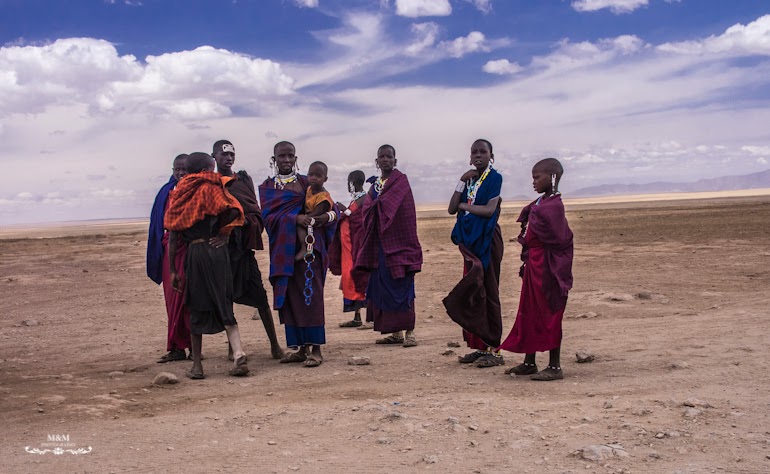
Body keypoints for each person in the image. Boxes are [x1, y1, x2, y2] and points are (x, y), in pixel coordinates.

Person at [165, 152, 250, 379]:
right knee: (224, 300)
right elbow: (234, 209)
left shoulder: (180, 192)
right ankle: (239, 353)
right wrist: (225, 233)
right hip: (218, 251)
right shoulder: (215, 188)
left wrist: (173, 269)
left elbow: (173, 232)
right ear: (209, 167)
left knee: (196, 303)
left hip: (196, 252)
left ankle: (197, 367)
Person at [258, 142, 338, 368]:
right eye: (281, 156)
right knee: (293, 300)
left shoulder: (308, 182)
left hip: (311, 251)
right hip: (285, 252)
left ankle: (316, 349)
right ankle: (301, 349)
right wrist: (295, 218)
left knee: (311, 297)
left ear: (295, 158)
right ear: (273, 159)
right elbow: (268, 218)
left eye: (290, 155)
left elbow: (332, 205)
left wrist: (325, 218)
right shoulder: (268, 188)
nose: (286, 159)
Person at [498, 158, 573, 381]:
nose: (533, 182)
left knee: (550, 313)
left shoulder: (554, 206)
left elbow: (560, 239)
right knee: (529, 311)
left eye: (537, 177)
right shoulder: (540, 203)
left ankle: (555, 366)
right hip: (534, 265)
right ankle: (529, 362)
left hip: (549, 268)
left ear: (552, 177)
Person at [212, 139, 283, 360]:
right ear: (214, 156)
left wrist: (236, 227)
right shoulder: (211, 183)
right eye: (224, 154)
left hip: (242, 250)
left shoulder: (242, 180)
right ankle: (233, 348)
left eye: (232, 154)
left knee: (260, 297)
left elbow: (254, 210)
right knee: (226, 299)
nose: (229, 158)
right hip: (221, 254)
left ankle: (275, 345)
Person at [444, 139, 505, 368]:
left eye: (483, 151)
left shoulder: (494, 178)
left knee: (489, 292)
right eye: (474, 152)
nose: (478, 155)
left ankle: (495, 350)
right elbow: (451, 209)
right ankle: (480, 346)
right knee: (474, 293)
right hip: (470, 243)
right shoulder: (469, 180)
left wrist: (464, 207)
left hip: (487, 241)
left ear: (491, 155)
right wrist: (460, 182)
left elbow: (489, 210)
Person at [355, 144, 422, 347]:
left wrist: (377, 206)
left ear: (395, 160)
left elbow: (403, 212)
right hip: (379, 247)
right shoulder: (374, 186)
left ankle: (410, 332)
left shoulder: (400, 182)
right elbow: (367, 208)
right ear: (376, 162)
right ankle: (395, 333)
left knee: (403, 286)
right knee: (382, 287)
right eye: (381, 157)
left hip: (399, 244)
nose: (385, 160)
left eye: (389, 156)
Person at [147, 153, 192, 363]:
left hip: (191, 250)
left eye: (185, 169)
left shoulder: (196, 191)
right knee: (172, 297)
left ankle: (194, 346)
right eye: (177, 169)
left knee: (189, 300)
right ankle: (176, 347)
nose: (181, 173)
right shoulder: (165, 192)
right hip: (170, 251)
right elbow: (158, 224)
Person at [329, 170, 369, 328]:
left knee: (359, 277)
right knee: (350, 278)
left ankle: (369, 319)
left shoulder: (365, 198)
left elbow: (355, 218)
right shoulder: (357, 199)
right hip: (349, 248)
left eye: (348, 182)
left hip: (357, 247)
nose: (348, 185)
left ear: (353, 183)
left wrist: (342, 209)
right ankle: (357, 317)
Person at [295, 161, 334, 262]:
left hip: (316, 222)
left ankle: (305, 248)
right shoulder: (308, 188)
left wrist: (303, 217)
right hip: (309, 217)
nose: (314, 178)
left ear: (325, 179)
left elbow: (318, 212)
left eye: (318, 176)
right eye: (311, 175)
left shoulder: (323, 197)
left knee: (300, 225)